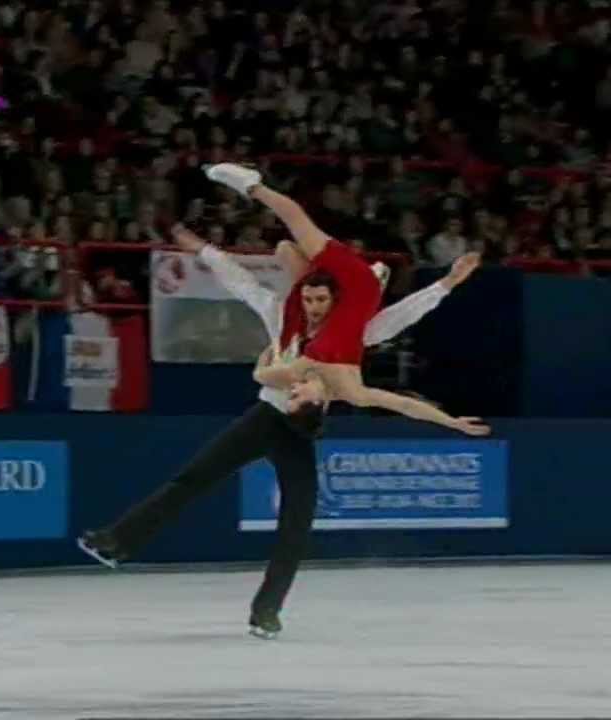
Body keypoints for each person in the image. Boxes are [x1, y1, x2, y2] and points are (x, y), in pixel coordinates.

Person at [79, 225, 482, 639]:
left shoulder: (353, 332)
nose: (312, 307)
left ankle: (266, 611)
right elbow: (242, 283)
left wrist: (447, 283)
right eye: (307, 298)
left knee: (297, 523)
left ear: (336, 299)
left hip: (302, 429)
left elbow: (402, 320)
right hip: (266, 417)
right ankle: (116, 542)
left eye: (320, 299)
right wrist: (204, 250)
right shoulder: (281, 315)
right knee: (193, 479)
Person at [206, 162, 489, 434]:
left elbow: (261, 377)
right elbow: (404, 404)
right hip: (358, 286)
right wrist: (451, 422)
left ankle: (253, 187)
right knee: (296, 219)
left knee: (285, 250)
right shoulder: (352, 390)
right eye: (296, 397)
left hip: (329, 296)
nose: (292, 390)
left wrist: (265, 365)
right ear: (318, 402)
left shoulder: (298, 371)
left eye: (289, 396)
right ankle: (251, 184)